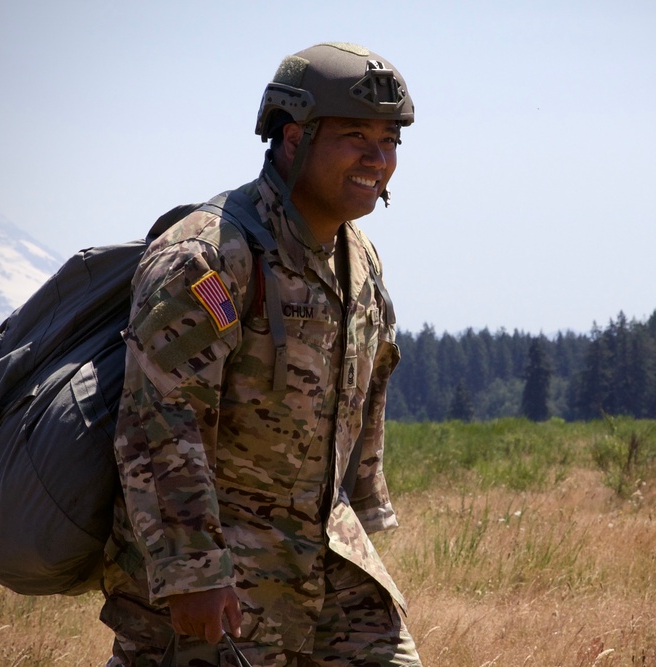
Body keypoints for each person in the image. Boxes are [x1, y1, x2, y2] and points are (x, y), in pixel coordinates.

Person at [99, 42, 422, 667]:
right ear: (293, 138)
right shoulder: (211, 256)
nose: (377, 158)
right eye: (355, 135)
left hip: (330, 564)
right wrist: (193, 572)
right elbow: (161, 422)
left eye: (389, 141)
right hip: (221, 582)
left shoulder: (359, 257)